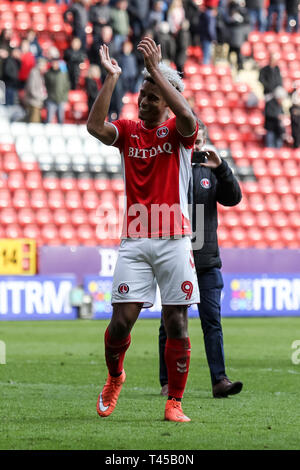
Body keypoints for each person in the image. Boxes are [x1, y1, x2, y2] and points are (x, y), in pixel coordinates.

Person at [87, 37, 200, 422]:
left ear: (166, 102)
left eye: (152, 97)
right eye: (143, 95)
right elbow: (94, 126)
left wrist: (155, 72)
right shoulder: (130, 131)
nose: (144, 102)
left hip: (174, 239)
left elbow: (188, 118)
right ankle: (115, 376)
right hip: (135, 240)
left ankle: (174, 402)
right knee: (120, 322)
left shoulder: (179, 135)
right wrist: (112, 77)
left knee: (176, 322)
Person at [159, 121, 243, 399]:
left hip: (207, 261)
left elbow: (233, 198)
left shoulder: (211, 172)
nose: (195, 147)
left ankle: (219, 380)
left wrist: (221, 167)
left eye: (199, 142)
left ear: (204, 143)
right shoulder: (170, 168)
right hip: (176, 256)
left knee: (212, 321)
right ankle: (168, 382)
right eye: (191, 141)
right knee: (170, 321)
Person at [44, 57, 70, 124]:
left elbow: (66, 86)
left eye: (56, 63)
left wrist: (65, 98)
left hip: (61, 100)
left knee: (60, 120)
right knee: (49, 119)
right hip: (51, 99)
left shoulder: (63, 74)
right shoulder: (48, 74)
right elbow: (46, 86)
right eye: (53, 63)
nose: (55, 64)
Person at [24, 57, 48, 123]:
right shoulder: (34, 73)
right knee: (34, 123)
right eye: (44, 65)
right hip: (33, 102)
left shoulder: (40, 73)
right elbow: (32, 89)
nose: (45, 67)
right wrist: (41, 97)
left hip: (37, 102)